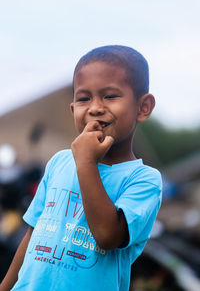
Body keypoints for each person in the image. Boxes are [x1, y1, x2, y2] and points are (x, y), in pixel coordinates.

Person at [0, 45, 162, 291]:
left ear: (143, 107)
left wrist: (86, 162)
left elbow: (107, 236)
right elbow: (32, 235)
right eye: (84, 98)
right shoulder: (59, 162)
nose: (95, 108)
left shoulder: (144, 179)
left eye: (110, 96)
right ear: (74, 109)